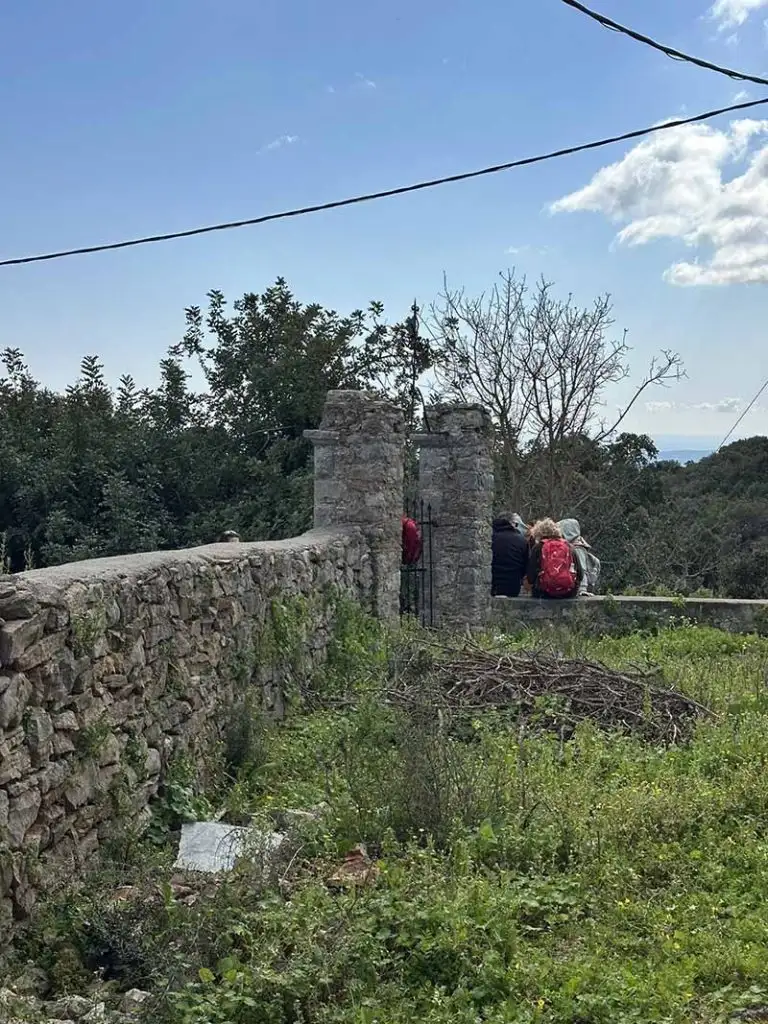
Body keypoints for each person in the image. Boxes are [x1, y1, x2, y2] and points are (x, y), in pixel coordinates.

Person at [526, 518, 583, 599]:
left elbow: (530, 578)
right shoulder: (569, 546)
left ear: (537, 533)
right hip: (568, 593)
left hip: (543, 593)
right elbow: (580, 575)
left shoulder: (538, 548)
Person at [557, 518, 601, 596]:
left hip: (578, 590)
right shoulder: (575, 545)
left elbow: (582, 570)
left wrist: (582, 589)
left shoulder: (577, 548)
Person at [492, 513, 529, 597]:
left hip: (491, 584)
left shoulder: (490, 537)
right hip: (512, 585)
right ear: (512, 523)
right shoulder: (521, 540)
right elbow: (526, 565)